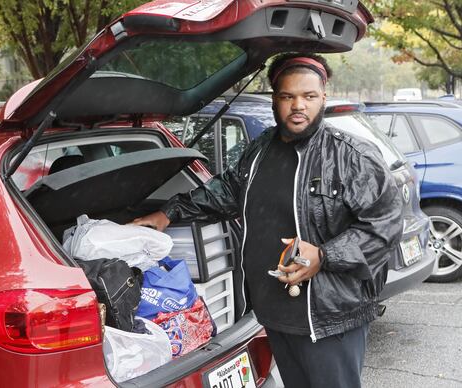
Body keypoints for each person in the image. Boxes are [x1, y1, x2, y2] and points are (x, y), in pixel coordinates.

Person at [133, 52, 403, 388]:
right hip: (273, 309)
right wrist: (167, 213)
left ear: (324, 97)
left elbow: (385, 225)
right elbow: (227, 190)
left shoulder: (352, 156)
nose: (298, 106)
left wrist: (324, 256)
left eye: (309, 96)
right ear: (275, 99)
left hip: (328, 315)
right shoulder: (261, 149)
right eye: (288, 96)